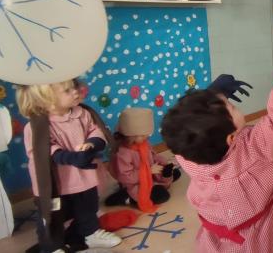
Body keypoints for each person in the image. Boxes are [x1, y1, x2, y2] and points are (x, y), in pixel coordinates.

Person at [160, 39, 273, 253]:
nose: (233, 104)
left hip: (223, 242)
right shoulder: (257, 150)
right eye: (232, 107)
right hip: (270, 233)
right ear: (231, 138)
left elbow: (186, 127)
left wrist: (211, 96)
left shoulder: (187, 155)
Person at [18, 80, 122, 252]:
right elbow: (41, 150)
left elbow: (95, 130)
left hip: (83, 178)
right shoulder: (35, 126)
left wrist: (92, 143)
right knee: (52, 216)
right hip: (56, 185)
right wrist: (68, 157)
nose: (76, 91)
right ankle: (53, 246)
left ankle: (91, 233)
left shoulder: (82, 113)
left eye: (74, 87)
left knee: (88, 207)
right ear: (47, 100)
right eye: (67, 91)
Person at [105, 108, 181, 210]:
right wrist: (149, 171)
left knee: (174, 173)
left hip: (150, 176)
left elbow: (153, 156)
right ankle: (127, 196)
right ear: (131, 136)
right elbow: (126, 177)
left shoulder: (143, 143)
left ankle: (159, 183)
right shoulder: (123, 153)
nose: (147, 137)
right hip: (135, 184)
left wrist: (164, 163)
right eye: (143, 135)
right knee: (162, 196)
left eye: (147, 135)